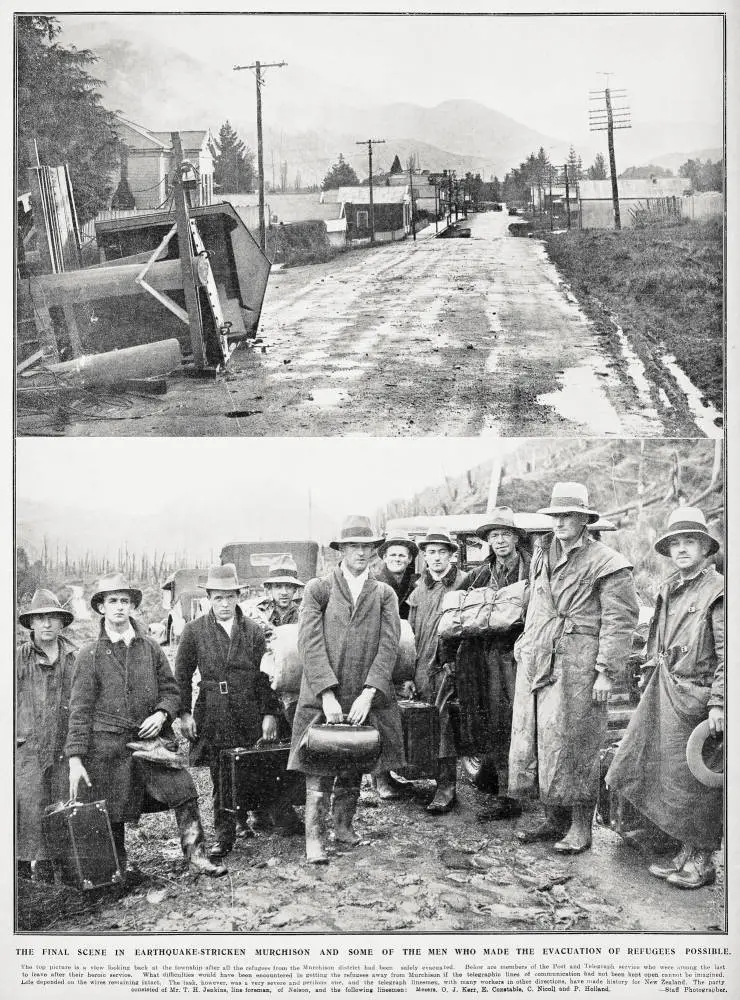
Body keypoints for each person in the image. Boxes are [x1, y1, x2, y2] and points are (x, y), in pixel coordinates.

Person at [66, 573, 226, 878]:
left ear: (132, 606)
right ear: (100, 607)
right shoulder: (89, 655)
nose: (119, 607)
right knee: (111, 808)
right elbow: (79, 710)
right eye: (111, 601)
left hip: (152, 744)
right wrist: (76, 759)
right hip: (109, 748)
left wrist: (162, 714)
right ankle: (119, 869)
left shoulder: (150, 648)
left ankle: (196, 855)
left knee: (184, 790)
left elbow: (171, 689)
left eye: (124, 601)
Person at [508, 482, 639, 854]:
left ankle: (582, 828)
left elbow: (620, 621)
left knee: (578, 741)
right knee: (540, 739)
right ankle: (553, 820)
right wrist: (524, 640)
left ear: (584, 519)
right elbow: (535, 602)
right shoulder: (541, 553)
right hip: (537, 657)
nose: (560, 522)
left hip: (579, 662)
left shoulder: (608, 562)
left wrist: (605, 672)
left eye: (568, 515)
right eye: (556, 515)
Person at [605, 507, 723, 889]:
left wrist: (720, 702)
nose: (683, 549)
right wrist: (644, 676)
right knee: (659, 772)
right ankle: (682, 853)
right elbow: (656, 640)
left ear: (706, 548)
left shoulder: (719, 590)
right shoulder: (670, 587)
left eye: (691, 542)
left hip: (697, 697)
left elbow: (729, 652)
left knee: (697, 782)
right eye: (676, 543)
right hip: (663, 690)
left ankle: (702, 861)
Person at [289, 515, 404, 863]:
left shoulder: (384, 594)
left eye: (367, 546)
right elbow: (308, 642)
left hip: (364, 694)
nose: (361, 552)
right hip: (322, 692)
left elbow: (389, 645)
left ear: (374, 550)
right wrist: (325, 693)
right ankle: (315, 839)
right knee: (318, 760)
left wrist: (370, 692)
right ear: (341, 550)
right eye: (354, 546)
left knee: (356, 754)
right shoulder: (319, 589)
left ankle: (344, 827)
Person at [175, 564, 297, 857]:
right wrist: (184, 713)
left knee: (254, 765)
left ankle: (264, 816)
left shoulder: (253, 631)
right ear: (209, 598)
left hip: (249, 708)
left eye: (230, 597)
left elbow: (266, 676)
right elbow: (180, 675)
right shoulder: (194, 632)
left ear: (238, 596)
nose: (225, 604)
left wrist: (270, 713)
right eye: (218, 598)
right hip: (214, 710)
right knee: (221, 774)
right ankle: (225, 834)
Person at [439, 508, 531, 822]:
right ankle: (505, 794)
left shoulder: (533, 570)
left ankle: (520, 791)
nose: (500, 540)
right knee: (492, 723)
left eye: (505, 534)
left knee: (521, 723)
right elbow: (455, 615)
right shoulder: (478, 575)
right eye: (494, 536)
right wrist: (449, 658)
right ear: (488, 542)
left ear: (517, 537)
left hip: (522, 657)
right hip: (484, 661)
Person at [16, 590, 77, 883]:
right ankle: (19, 887)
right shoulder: (17, 659)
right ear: (31, 624)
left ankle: (54, 882)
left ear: (62, 622)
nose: (47, 624)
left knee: (60, 811)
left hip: (63, 750)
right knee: (25, 813)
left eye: (53, 617)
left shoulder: (74, 659)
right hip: (26, 751)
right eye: (40, 618)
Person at [406, 529, 465, 814]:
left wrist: (455, 661)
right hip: (421, 669)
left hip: (450, 667)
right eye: (430, 552)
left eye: (442, 551)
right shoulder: (419, 589)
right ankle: (429, 779)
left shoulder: (465, 583)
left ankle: (446, 787)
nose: (436, 557)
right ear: (424, 557)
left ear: (452, 555)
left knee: (445, 725)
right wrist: (408, 673)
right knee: (425, 723)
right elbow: (411, 633)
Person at [373, 532, 419, 620]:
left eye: (401, 555)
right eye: (393, 555)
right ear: (385, 557)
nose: (397, 559)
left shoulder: (415, 587)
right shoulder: (373, 584)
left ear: (409, 559)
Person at [262, 557, 304, 627]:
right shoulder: (262, 614)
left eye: (289, 586)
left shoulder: (303, 613)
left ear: (295, 589)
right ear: (270, 588)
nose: (284, 592)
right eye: (278, 586)